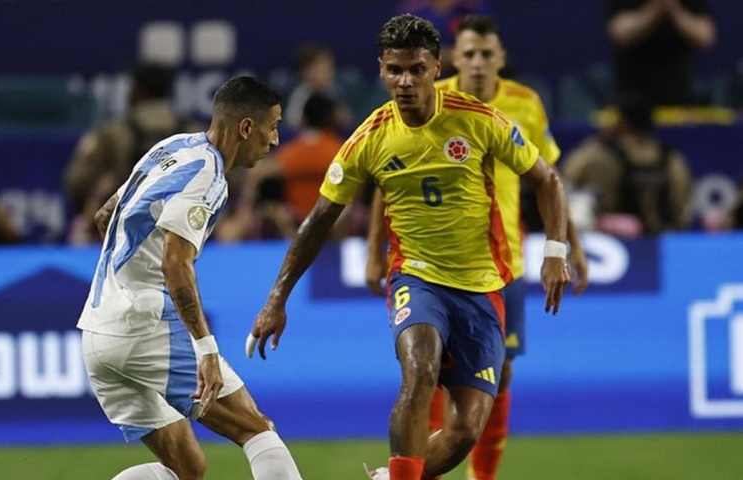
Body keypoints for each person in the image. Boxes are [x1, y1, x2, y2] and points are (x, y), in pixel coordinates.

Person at [248, 14, 570, 480]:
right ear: (380, 68)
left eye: (416, 69)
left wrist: (556, 252)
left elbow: (547, 180)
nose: (404, 81)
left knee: (464, 431)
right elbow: (319, 220)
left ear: (437, 66)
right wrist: (277, 298)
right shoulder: (369, 138)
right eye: (394, 70)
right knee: (420, 368)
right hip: (417, 278)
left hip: (482, 286)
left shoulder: (478, 120)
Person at [362, 15, 589, 480]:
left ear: (501, 58)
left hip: (506, 262)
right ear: (453, 59)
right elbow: (387, 177)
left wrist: (565, 247)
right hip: (434, 261)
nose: (479, 63)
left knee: (497, 375)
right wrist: (373, 251)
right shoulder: (428, 96)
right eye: (470, 54)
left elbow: (548, 179)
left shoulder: (525, 104)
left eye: (487, 54)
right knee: (424, 372)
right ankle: (410, 471)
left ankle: (472, 476)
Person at [77, 76, 303, 480]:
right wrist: (206, 349)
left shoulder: (172, 146)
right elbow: (175, 263)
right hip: (144, 324)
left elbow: (104, 214)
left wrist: (124, 283)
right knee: (257, 430)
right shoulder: (209, 178)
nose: (275, 140)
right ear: (246, 127)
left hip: (97, 332)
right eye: (273, 127)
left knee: (187, 468)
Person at [64, 63, 199, 245]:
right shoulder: (195, 136)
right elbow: (230, 180)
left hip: (122, 234)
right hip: (188, 233)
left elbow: (76, 182)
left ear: (136, 92)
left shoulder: (110, 134)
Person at [562, 91, 693, 237]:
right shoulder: (672, 159)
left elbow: (567, 175)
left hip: (615, 241)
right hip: (665, 239)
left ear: (621, 121)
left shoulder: (598, 155)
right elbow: (682, 208)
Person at [606, 0, 716, 106]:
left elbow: (705, 37)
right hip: (632, 98)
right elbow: (620, 33)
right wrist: (655, 10)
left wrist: (674, 9)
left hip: (678, 95)